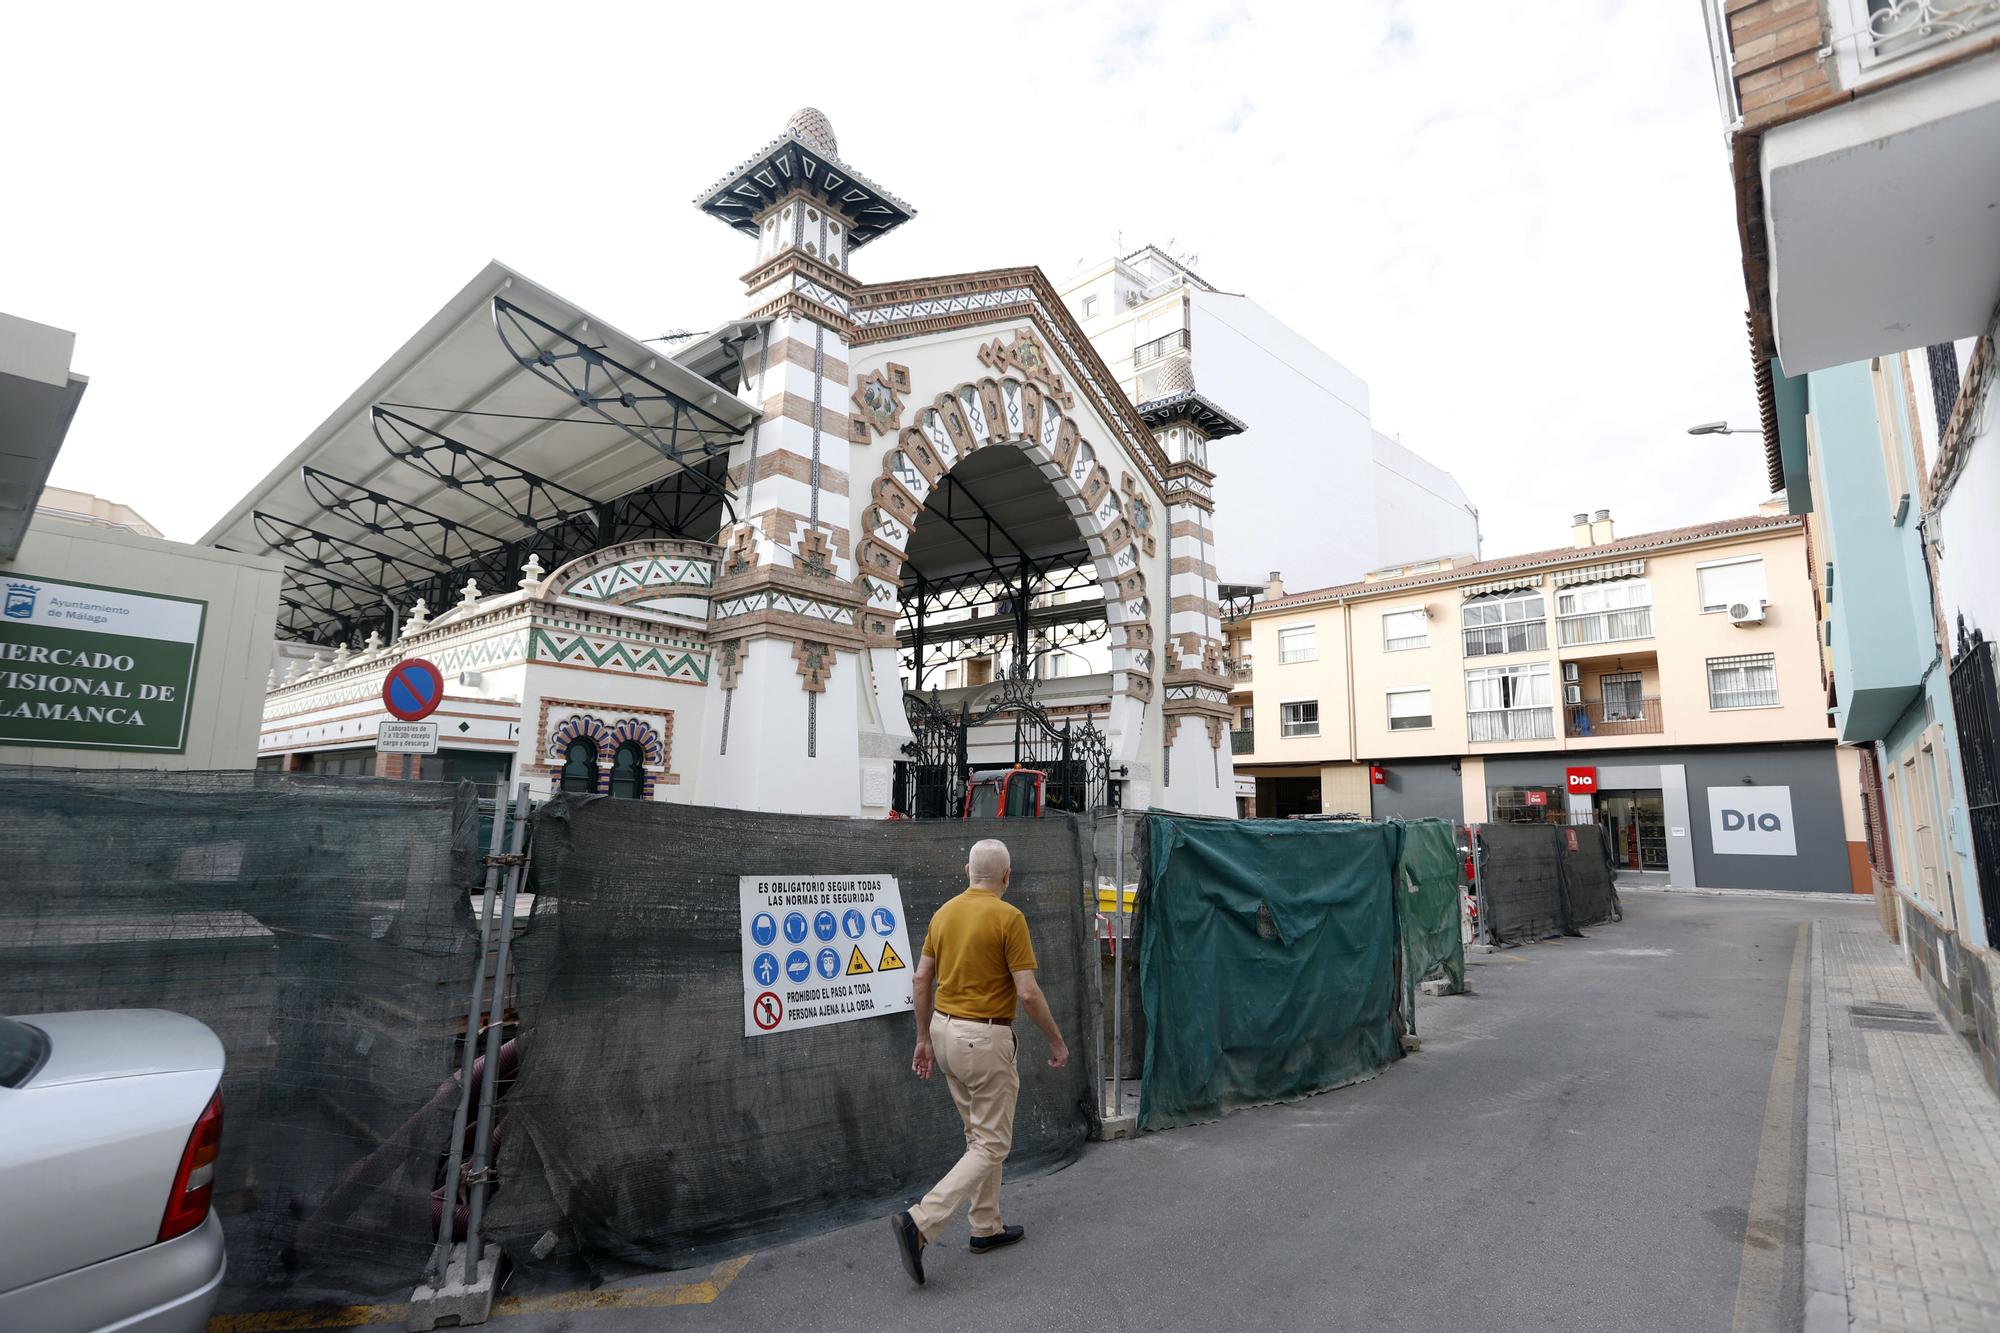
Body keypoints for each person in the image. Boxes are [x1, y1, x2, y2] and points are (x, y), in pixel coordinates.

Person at [889, 838, 1068, 1286]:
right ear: (1007, 877)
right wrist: (1057, 1042)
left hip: (944, 1034)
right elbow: (1027, 991)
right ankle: (922, 1221)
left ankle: (985, 1227)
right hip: (983, 1039)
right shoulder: (1009, 917)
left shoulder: (943, 913)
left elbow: (920, 977)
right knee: (991, 1144)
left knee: (978, 1135)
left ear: (966, 871)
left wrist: (921, 1040)